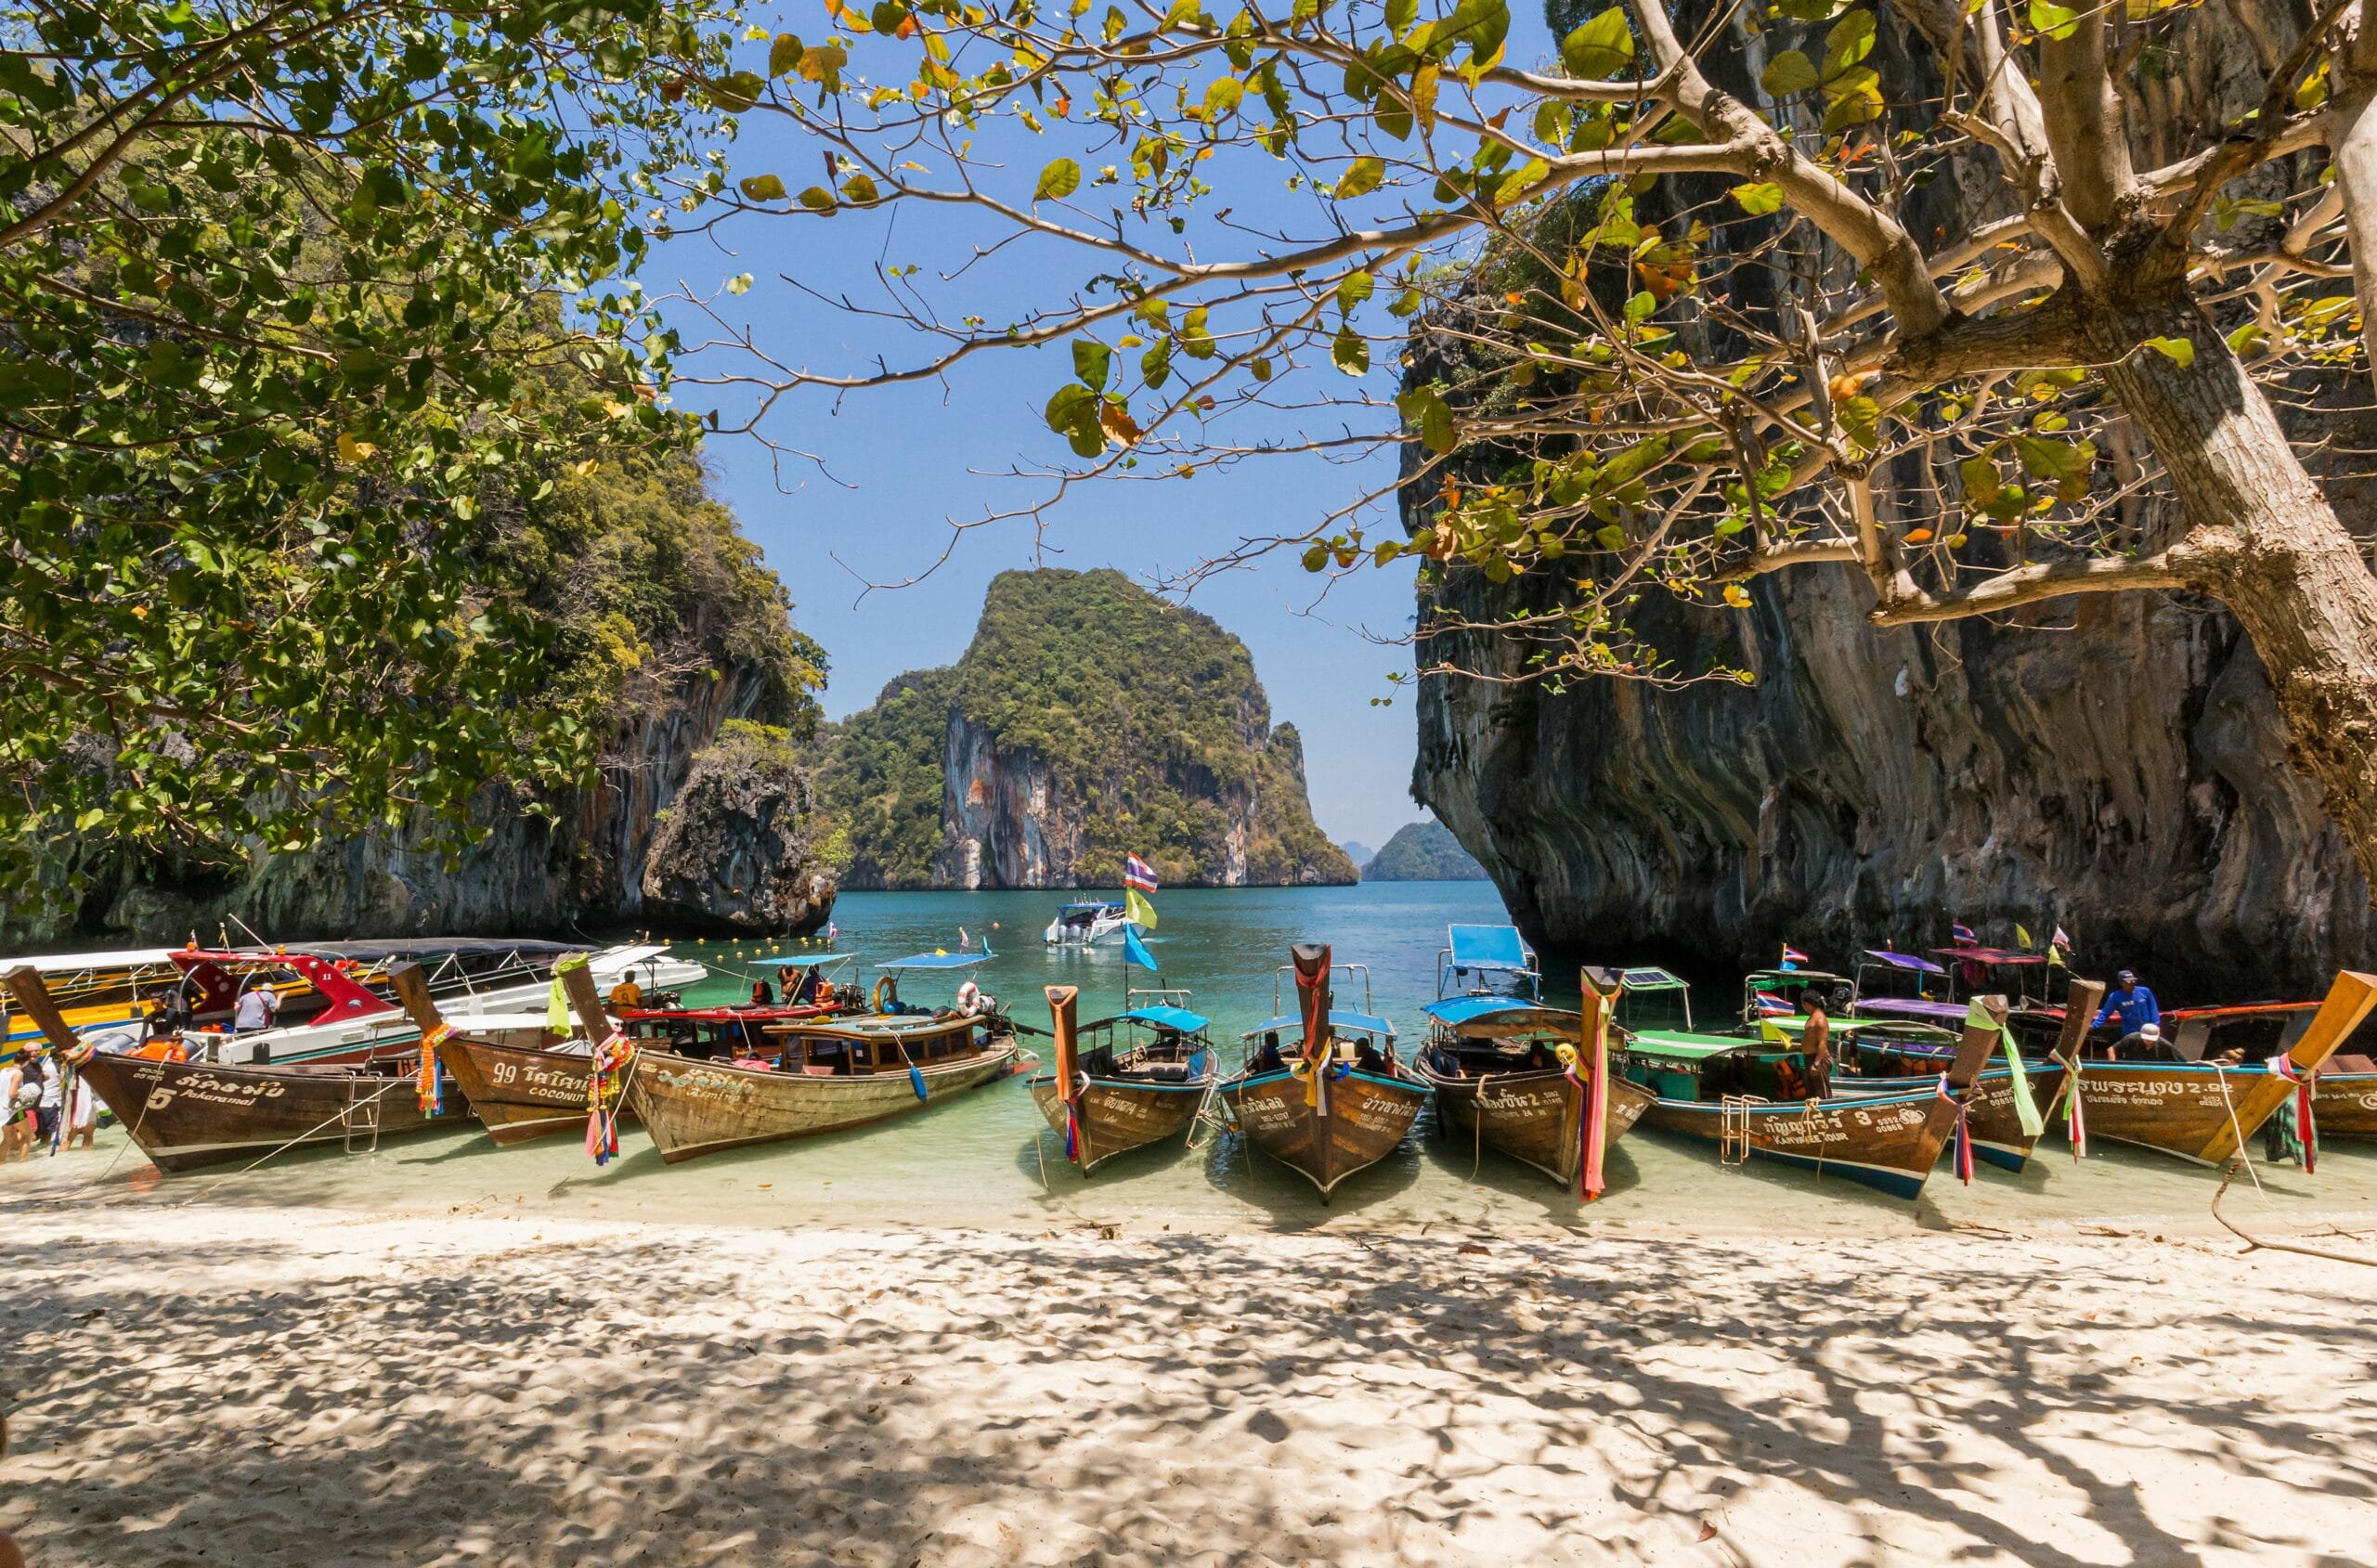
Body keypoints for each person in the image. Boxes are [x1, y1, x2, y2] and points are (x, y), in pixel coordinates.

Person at [2092, 970, 2161, 1039]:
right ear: (2121, 983)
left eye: (2133, 980)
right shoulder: (2115, 996)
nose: (2132, 983)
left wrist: (2156, 1026)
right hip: (2129, 1033)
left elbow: (2153, 1010)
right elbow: (2105, 1013)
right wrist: (2094, 1025)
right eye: (2128, 981)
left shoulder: (2145, 991)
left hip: (2147, 1030)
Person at [1800, 993, 1835, 1099]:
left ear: (1807, 1004)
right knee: (1811, 1092)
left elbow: (1822, 1043)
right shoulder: (1812, 1017)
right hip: (1809, 1057)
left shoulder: (1820, 1020)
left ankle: (1828, 1113)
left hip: (1819, 1059)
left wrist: (1816, 1063)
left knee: (1822, 1092)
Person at [0, 1055, 30, 1163]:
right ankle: (23, 1163)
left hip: (2, 1110)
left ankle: (1, 1162)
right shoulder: (18, 1073)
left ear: (14, 1060)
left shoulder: (3, 1071)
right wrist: (25, 1092)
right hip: (15, 1110)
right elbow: (12, 1093)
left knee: (8, 1137)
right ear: (27, 1062)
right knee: (27, 1135)